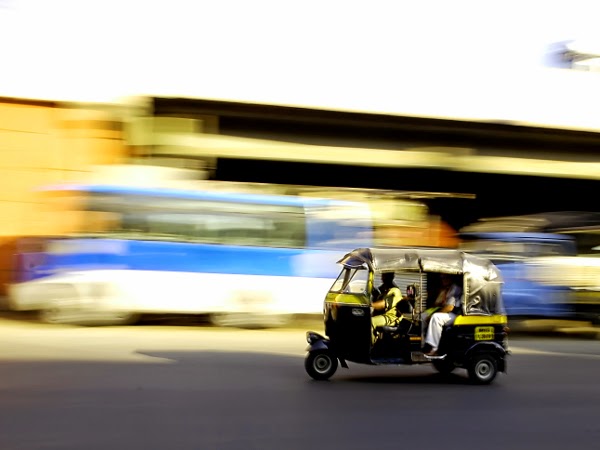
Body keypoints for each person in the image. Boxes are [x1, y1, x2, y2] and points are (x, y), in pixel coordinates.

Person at [423, 273, 463, 356]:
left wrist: (432, 315)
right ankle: (424, 343)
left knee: (436, 317)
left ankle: (434, 347)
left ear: (450, 278)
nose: (443, 280)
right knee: (422, 316)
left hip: (455, 314)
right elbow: (437, 303)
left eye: (445, 278)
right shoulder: (445, 289)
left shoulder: (455, 289)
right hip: (446, 312)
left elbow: (449, 307)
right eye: (442, 278)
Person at [371, 272, 404, 345]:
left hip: (391, 317)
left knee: (370, 322)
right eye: (383, 276)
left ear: (390, 277)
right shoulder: (383, 288)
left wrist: (370, 305)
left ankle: (370, 347)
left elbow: (384, 304)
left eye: (384, 276)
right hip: (382, 315)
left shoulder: (395, 290)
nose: (382, 278)